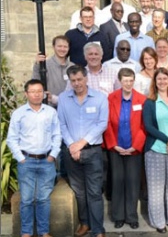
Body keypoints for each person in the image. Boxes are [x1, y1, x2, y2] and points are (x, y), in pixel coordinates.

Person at [58, 65, 108, 237]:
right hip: (71, 153)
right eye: (73, 81)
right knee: (79, 191)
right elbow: (62, 124)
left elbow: (102, 124)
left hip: (92, 151)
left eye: (79, 79)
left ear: (86, 78)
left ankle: (98, 229)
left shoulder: (100, 98)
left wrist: (81, 143)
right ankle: (85, 223)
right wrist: (73, 145)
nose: (77, 83)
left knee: (94, 191)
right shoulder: (64, 99)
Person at [7, 79, 61, 237]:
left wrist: (52, 155)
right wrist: (20, 158)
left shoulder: (51, 112)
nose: (37, 94)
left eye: (39, 91)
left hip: (46, 161)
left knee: (44, 199)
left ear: (43, 93)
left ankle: (44, 232)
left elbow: (57, 135)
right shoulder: (19, 113)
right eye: (33, 91)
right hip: (27, 161)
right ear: (26, 94)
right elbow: (12, 138)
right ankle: (26, 233)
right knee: (27, 199)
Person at [103, 68, 146, 230]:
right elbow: (106, 123)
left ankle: (131, 216)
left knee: (133, 182)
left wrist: (135, 146)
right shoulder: (111, 98)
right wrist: (114, 145)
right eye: (125, 80)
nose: (128, 83)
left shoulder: (141, 100)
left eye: (131, 80)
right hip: (116, 148)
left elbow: (144, 126)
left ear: (134, 81)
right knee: (118, 181)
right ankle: (118, 216)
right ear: (120, 81)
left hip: (134, 149)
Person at [143, 68, 168, 233]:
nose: (162, 82)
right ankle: (159, 222)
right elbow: (148, 126)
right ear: (155, 81)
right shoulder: (150, 102)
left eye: (164, 79)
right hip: (155, 150)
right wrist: (167, 140)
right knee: (156, 189)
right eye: (159, 79)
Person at [32, 35, 75, 107]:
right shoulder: (45, 65)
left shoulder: (73, 67)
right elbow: (35, 81)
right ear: (53, 47)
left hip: (68, 107)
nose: (62, 49)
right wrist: (37, 65)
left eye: (65, 47)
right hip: (50, 106)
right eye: (59, 46)